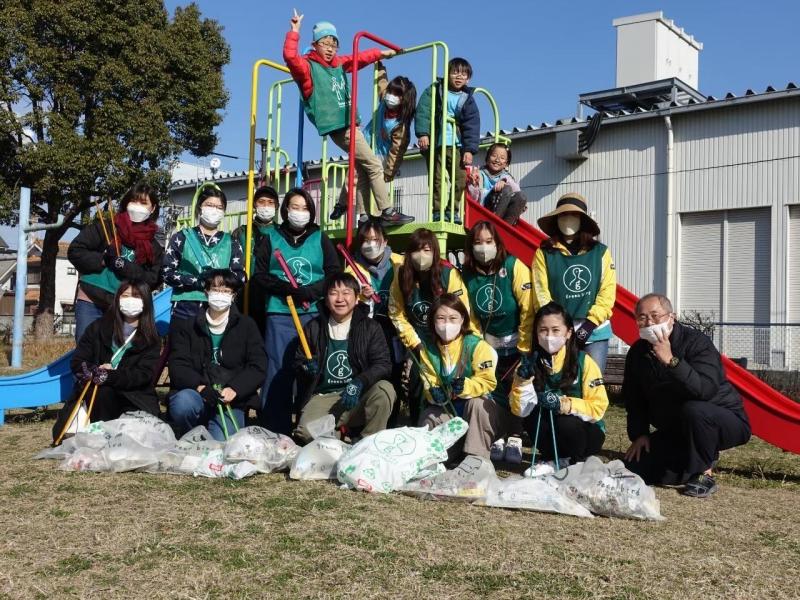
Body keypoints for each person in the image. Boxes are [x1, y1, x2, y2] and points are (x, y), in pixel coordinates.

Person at [283, 11, 413, 226]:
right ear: (315, 45)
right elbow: (290, 58)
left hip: (349, 123)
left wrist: (381, 53)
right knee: (373, 165)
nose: (330, 49)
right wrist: (294, 32)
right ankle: (388, 210)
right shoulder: (308, 69)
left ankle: (361, 215)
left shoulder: (337, 65)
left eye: (333, 44)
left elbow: (358, 58)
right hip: (338, 126)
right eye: (325, 44)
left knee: (362, 168)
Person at [622, 293, 751, 497]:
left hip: (721, 420)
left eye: (655, 316)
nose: (649, 322)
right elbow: (634, 397)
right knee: (633, 466)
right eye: (642, 317)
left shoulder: (697, 342)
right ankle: (692, 464)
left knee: (694, 410)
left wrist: (671, 361)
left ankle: (704, 472)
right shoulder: (638, 352)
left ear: (671, 317)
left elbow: (704, 390)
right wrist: (640, 434)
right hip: (678, 428)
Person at [253, 187, 340, 435]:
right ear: (285, 210)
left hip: (312, 313)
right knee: (278, 368)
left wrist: (311, 292)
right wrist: (285, 289)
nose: (299, 213)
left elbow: (334, 272)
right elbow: (260, 274)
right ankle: (273, 426)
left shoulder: (320, 238)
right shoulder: (271, 237)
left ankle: (307, 424)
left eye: (305, 208)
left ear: (311, 212)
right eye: (294, 207)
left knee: (310, 368)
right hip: (280, 313)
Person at [53, 280, 162, 441]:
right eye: (125, 296)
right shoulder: (97, 328)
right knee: (104, 392)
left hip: (134, 396)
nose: (130, 300)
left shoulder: (151, 338)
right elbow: (78, 361)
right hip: (98, 394)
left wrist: (110, 375)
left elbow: (143, 374)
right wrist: (95, 371)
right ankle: (101, 436)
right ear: (117, 299)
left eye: (136, 296)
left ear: (145, 301)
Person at [293, 273, 395, 443]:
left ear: (356, 299)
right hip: (325, 397)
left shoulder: (370, 327)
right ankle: (338, 437)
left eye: (346, 293)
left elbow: (383, 364)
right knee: (305, 433)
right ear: (326, 300)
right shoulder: (314, 327)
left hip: (359, 395)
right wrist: (305, 367)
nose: (340, 299)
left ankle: (368, 442)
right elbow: (298, 361)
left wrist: (360, 382)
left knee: (384, 390)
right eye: (333, 293)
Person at [167, 270, 266, 441]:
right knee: (183, 404)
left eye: (226, 291)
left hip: (230, 401)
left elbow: (258, 365)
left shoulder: (247, 326)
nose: (220, 295)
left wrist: (235, 389)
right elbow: (178, 364)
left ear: (234, 295)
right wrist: (200, 387)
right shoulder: (187, 325)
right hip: (197, 394)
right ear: (206, 291)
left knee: (224, 444)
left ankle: (211, 432)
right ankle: (191, 434)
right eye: (215, 289)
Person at [462, 220, 533, 458]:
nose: (483, 247)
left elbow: (527, 307)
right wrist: (477, 343)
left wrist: (524, 345)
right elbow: (468, 313)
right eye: (478, 242)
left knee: (517, 388)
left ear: (497, 243)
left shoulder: (513, 266)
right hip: (488, 344)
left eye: (489, 241)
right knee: (492, 390)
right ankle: (497, 435)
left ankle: (515, 435)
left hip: (516, 342)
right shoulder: (467, 274)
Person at [510, 302, 608, 465]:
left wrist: (564, 404)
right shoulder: (528, 363)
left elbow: (598, 407)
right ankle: (551, 458)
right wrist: (522, 383)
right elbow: (520, 411)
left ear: (569, 332)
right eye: (543, 330)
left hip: (586, 432)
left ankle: (574, 460)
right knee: (532, 415)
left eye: (556, 330)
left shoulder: (584, 361)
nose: (549, 336)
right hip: (549, 430)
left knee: (565, 421)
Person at [388, 228, 470, 423]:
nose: (421, 256)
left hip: (447, 339)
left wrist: (451, 337)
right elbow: (395, 311)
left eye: (427, 250)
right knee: (417, 385)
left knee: (450, 384)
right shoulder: (401, 275)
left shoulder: (448, 274)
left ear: (434, 252)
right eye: (416, 250)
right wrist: (414, 342)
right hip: (419, 342)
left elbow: (463, 309)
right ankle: (418, 425)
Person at [68, 183, 163, 341]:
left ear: (153, 208)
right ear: (126, 202)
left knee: (118, 355)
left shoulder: (154, 246)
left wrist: (126, 267)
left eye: (144, 203)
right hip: (91, 299)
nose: (138, 206)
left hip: (127, 306)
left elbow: (153, 278)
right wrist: (104, 260)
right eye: (134, 201)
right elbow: (75, 250)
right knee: (86, 352)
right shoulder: (107, 227)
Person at [532, 192, 616, 373]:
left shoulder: (600, 252)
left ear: (583, 220)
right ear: (556, 219)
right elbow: (540, 292)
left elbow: (607, 292)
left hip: (594, 331)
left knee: (592, 383)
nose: (568, 219)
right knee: (560, 382)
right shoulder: (545, 253)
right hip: (558, 331)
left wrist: (590, 323)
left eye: (574, 215)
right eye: (563, 215)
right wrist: (558, 325)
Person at [329, 62, 417, 223]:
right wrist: (380, 66)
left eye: (397, 94)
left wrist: (390, 171)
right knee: (356, 176)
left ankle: (379, 212)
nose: (392, 96)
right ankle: (360, 214)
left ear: (405, 99)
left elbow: (397, 151)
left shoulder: (399, 125)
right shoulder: (384, 100)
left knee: (371, 179)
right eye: (391, 91)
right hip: (365, 143)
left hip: (380, 156)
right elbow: (381, 83)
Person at [417, 294, 498, 459]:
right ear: (432, 321)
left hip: (473, 411)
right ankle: (437, 458)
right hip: (448, 409)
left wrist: (466, 386)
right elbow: (428, 380)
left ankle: (477, 457)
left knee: (477, 405)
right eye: (441, 318)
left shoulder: (477, 345)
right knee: (429, 417)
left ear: (463, 320)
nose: (447, 324)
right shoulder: (427, 349)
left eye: (453, 318)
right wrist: (433, 393)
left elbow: (487, 381)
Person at [344, 220, 405, 420]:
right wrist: (360, 296)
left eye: (375, 239)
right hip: (369, 333)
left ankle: (393, 421)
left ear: (385, 241)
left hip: (397, 332)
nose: (370, 244)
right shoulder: (352, 269)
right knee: (371, 374)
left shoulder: (400, 263)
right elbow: (344, 301)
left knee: (396, 376)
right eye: (365, 240)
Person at [162, 183, 245, 322]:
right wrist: (195, 281)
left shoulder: (232, 242)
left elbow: (240, 276)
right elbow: (166, 272)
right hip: (185, 306)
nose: (214, 210)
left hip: (219, 307)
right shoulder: (182, 237)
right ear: (200, 207)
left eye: (219, 207)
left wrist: (215, 284)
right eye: (210, 205)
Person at [415, 57, 480, 223]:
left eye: (464, 74)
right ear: (448, 73)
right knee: (437, 179)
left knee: (460, 179)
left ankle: (452, 210)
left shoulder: (467, 98)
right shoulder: (436, 90)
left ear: (468, 78)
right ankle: (437, 211)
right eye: (455, 72)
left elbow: (472, 125)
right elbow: (424, 110)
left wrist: (469, 150)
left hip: (456, 145)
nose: (459, 77)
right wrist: (423, 133)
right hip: (437, 143)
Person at [233, 185, 279, 334]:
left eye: (270, 202)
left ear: (277, 206)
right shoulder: (241, 232)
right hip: (245, 295)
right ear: (254, 205)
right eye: (261, 202)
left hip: (272, 297)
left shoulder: (281, 233)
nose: (266, 206)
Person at [466, 143, 527, 224]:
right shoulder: (479, 174)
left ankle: (506, 227)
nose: (497, 160)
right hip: (484, 211)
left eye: (502, 158)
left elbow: (517, 192)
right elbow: (474, 199)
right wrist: (473, 184)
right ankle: (495, 224)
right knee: (506, 189)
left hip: (502, 213)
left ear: (506, 163)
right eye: (494, 156)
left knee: (521, 196)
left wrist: (504, 180)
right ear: (487, 158)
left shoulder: (507, 177)